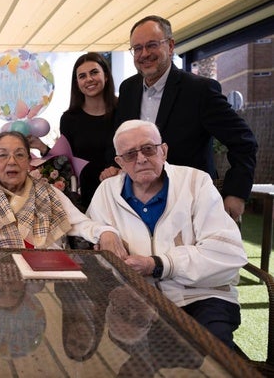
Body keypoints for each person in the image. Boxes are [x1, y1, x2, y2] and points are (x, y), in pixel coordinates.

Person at [87, 120, 248, 348]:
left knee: (213, 355)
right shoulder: (106, 192)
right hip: (135, 299)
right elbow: (87, 236)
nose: (141, 158)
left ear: (163, 151)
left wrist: (159, 264)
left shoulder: (197, 183)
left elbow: (228, 254)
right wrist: (103, 232)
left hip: (202, 296)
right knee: (120, 358)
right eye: (130, 154)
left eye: (148, 149)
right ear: (120, 162)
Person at [114, 15, 258, 221]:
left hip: (192, 205)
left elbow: (244, 142)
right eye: (137, 48)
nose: (144, 54)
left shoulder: (200, 90)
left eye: (152, 45)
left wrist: (235, 193)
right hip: (139, 205)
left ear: (170, 46)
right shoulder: (128, 89)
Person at [0, 131, 125, 252]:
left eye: (19, 154)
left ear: (29, 162)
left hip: (49, 269)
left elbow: (81, 224)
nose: (11, 161)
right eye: (3, 155)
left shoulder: (48, 192)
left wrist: (105, 232)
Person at [28, 52, 119, 208]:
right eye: (82, 76)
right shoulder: (70, 119)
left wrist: (117, 168)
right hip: (89, 199)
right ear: (77, 83)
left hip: (123, 192)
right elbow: (66, 163)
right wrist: (42, 147)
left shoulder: (124, 110)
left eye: (94, 72)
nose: (89, 79)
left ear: (106, 76)